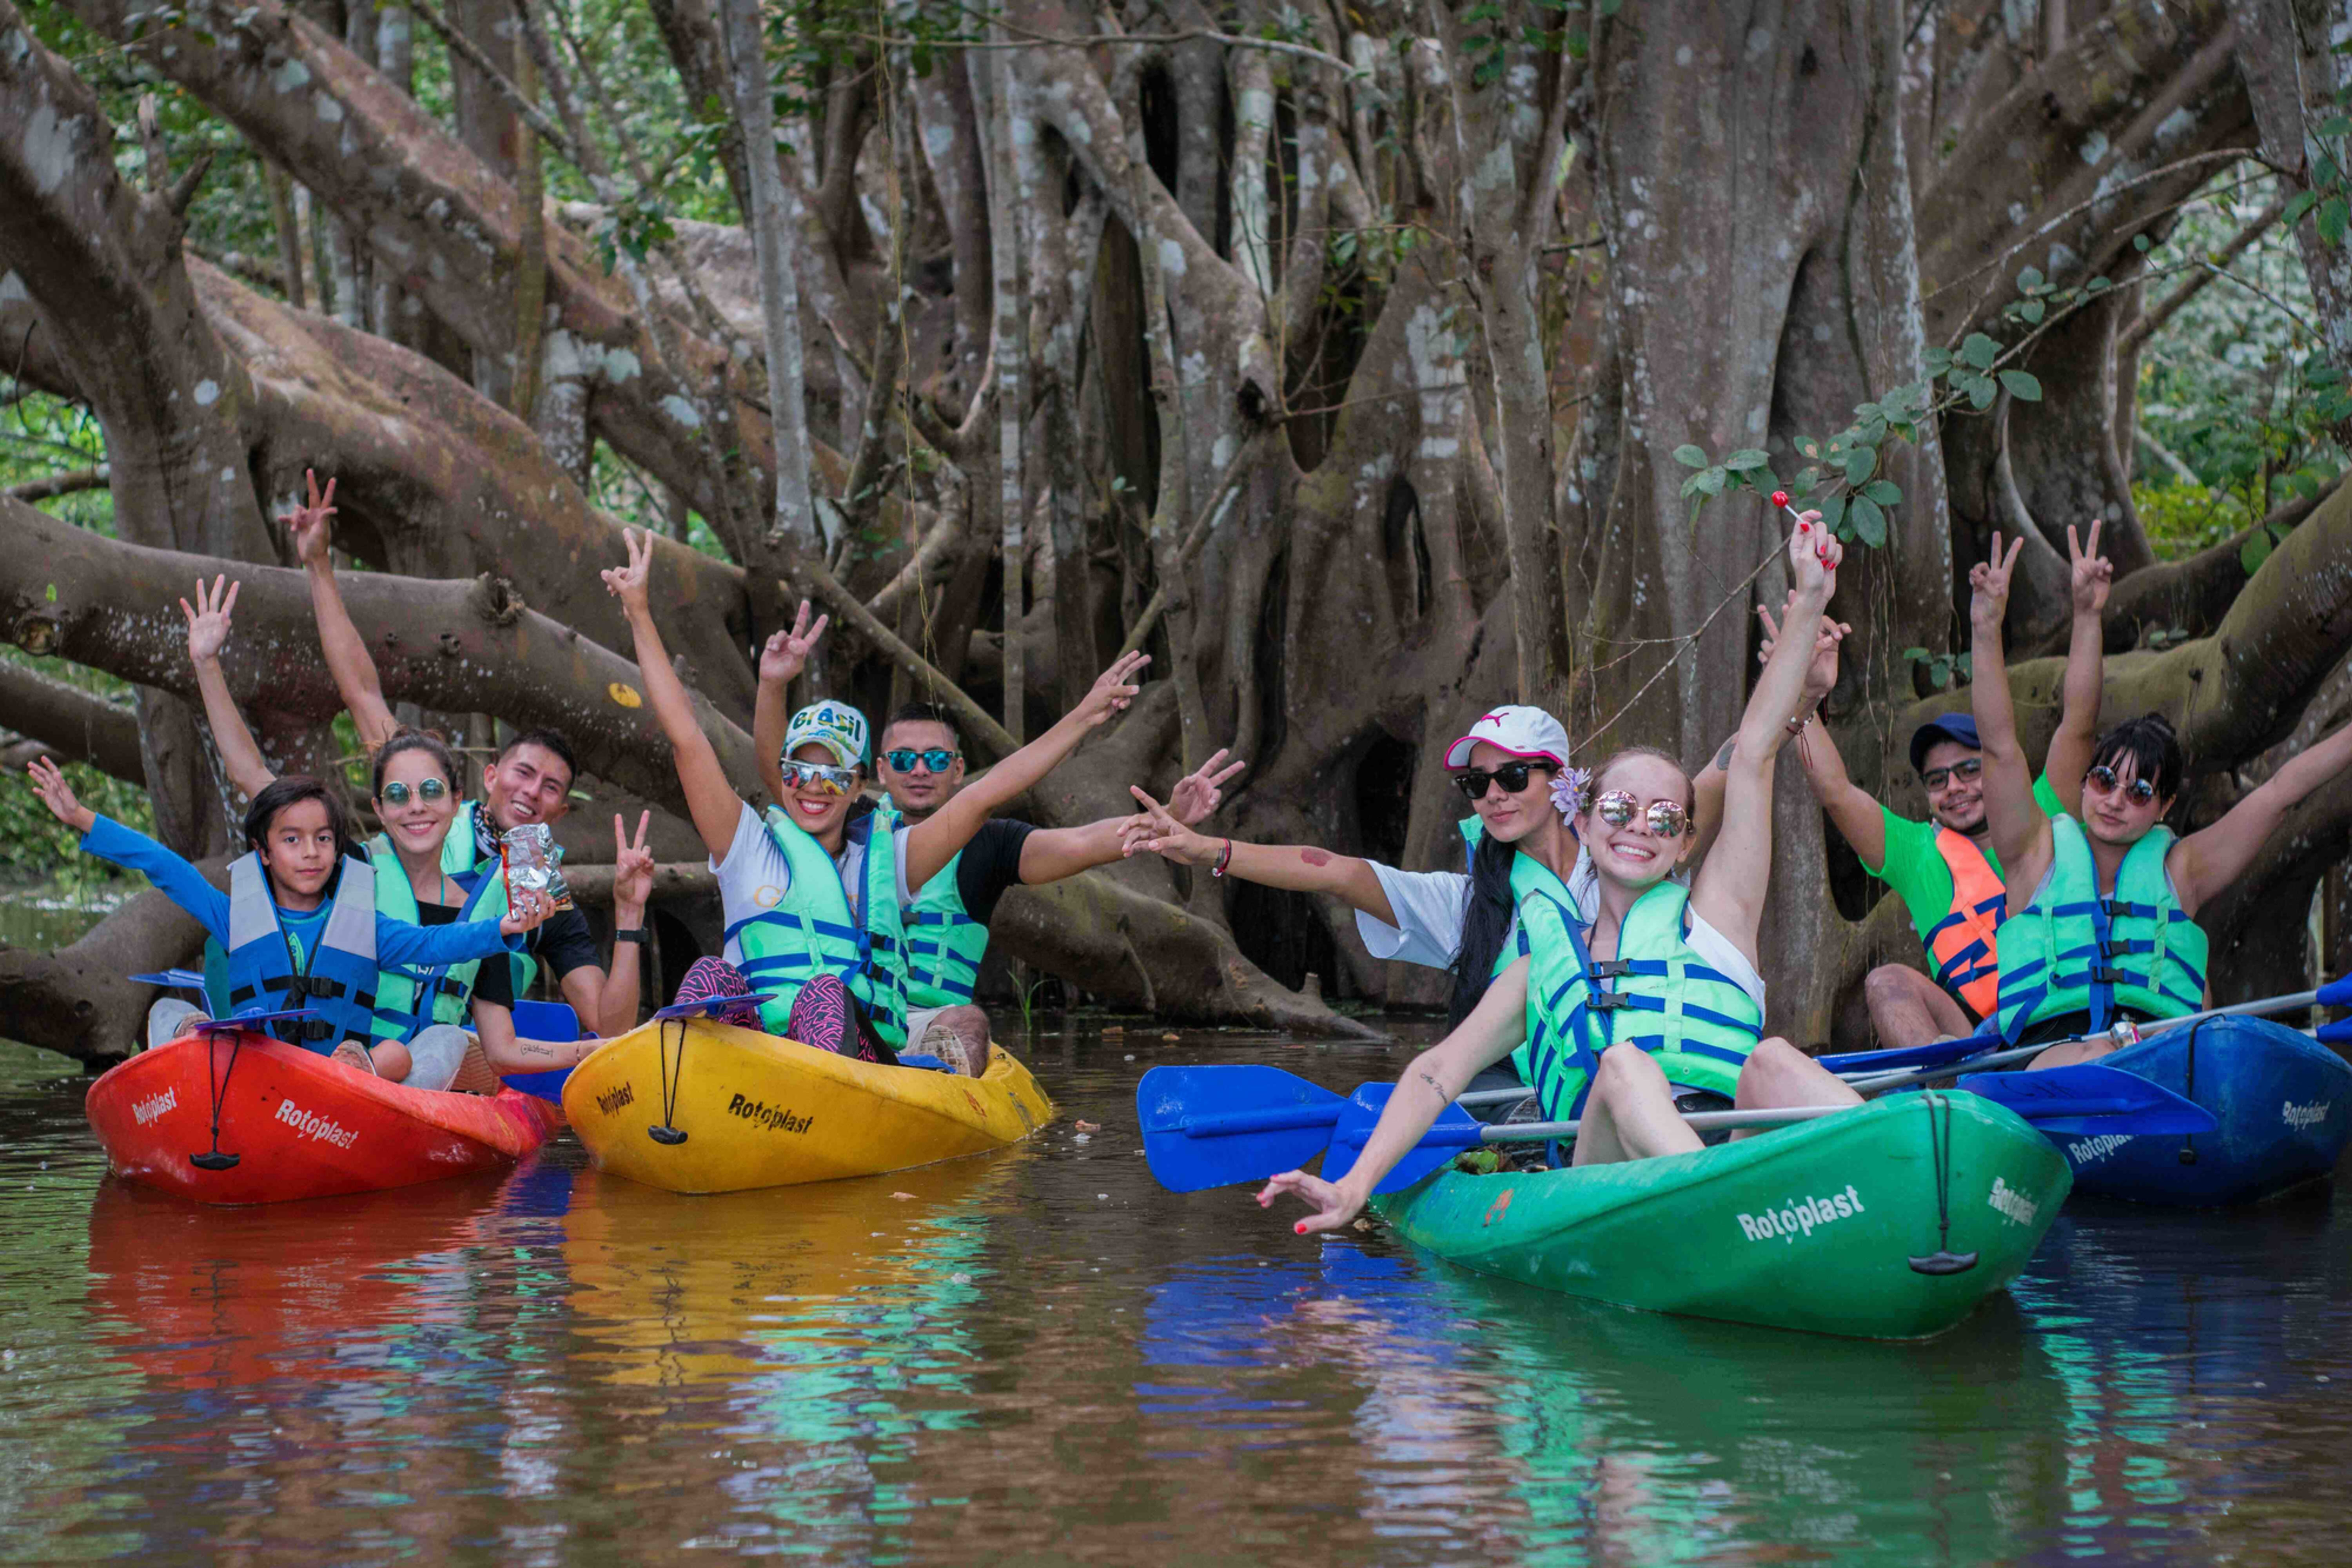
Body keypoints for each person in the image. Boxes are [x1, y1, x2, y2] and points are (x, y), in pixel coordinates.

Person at [1260, 512, 1861, 1230]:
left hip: (1728, 1146)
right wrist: (1355, 1186)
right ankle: (1723, 1209)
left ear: (1685, 839)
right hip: (1609, 1178)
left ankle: (1902, 1179)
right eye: (1619, 810)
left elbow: (1757, 749)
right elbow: (1436, 1073)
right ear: (1582, 818)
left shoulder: (1720, 918)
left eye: (1665, 819)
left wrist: (1811, 596)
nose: (1641, 827)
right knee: (1624, 1067)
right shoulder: (1539, 967)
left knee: (1773, 1061)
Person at [603, 526, 1147, 1075]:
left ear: (861, 784)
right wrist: (639, 615)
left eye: (834, 774)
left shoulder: (884, 864)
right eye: (800, 770)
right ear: (784, 776)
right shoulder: (744, 844)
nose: (814, 786)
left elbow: (984, 796)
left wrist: (1082, 718)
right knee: (709, 977)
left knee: (826, 995)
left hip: (841, 1059)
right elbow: (686, 740)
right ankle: (685, 1096)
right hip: (754, 1058)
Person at [1122, 704, 1757, 1114]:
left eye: (1513, 778)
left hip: (1653, 1084)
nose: (1493, 797)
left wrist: (1798, 698)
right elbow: (1337, 873)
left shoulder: (1626, 851)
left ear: (1564, 782)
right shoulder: (1466, 904)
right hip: (1527, 1099)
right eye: (1477, 784)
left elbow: (1734, 765)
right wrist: (1210, 849)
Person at [183, 573, 657, 1082]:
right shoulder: (347, 870)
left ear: (455, 802)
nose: (416, 808)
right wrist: (208, 663)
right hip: (322, 1065)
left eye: (431, 795)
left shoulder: (507, 907)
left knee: (446, 1037)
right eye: (401, 797)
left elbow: (515, 1044)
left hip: (420, 1080)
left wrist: (628, 918)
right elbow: (258, 774)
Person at [238, 472, 645, 1039]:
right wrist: (318, 565)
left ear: (562, 813)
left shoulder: (541, 887)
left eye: (552, 788)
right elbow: (360, 688)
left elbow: (606, 1023)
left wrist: (629, 918)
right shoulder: (423, 797)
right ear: (490, 777)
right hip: (359, 1043)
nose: (532, 791)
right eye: (524, 773)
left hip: (462, 1053)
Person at [1969, 530, 2352, 1065]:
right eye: (2104, 780)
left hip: (2157, 1057)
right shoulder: (2034, 854)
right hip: (2050, 1061)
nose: (2115, 799)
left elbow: (2282, 791)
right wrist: (1989, 628)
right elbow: (2000, 745)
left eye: (2140, 790)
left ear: (2165, 807)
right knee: (2096, 1057)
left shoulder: (2184, 868)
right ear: (2085, 783)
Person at [1769, 520, 2110, 1048]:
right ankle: (1946, 1111)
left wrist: (2088, 615)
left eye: (1969, 771)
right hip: (1982, 1046)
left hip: (2069, 1019)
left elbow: (2080, 723)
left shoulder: (2042, 811)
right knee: (1886, 983)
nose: (1954, 787)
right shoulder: (1917, 852)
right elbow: (1835, 789)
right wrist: (1800, 693)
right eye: (1937, 779)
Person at [760, 693, 1241, 1067]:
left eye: (937, 759)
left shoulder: (989, 845)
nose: (921, 770)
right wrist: (773, 684)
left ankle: (939, 1104)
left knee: (971, 1021)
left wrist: (1169, 818)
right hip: (848, 1011)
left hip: (930, 1027)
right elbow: (783, 775)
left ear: (960, 770)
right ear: (877, 772)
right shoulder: (843, 826)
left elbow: (1079, 844)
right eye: (904, 760)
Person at [24, 760, 552, 1068]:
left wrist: (503, 929)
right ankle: (198, 1045)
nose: (311, 853)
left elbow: (434, 946)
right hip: (247, 1071)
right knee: (164, 1013)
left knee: (432, 1043)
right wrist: (81, 817)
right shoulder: (234, 915)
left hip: (329, 1081)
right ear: (264, 853)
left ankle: (358, 1066)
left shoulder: (365, 927)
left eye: (323, 840)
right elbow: (165, 867)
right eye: (293, 840)